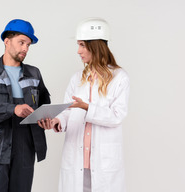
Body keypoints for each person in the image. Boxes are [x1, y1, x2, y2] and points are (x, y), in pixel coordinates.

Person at [38, 18, 130, 192]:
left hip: (103, 161)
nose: (78, 51)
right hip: (77, 159)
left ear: (95, 46)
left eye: (82, 45)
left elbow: (117, 116)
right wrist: (58, 121)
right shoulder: (77, 78)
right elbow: (67, 110)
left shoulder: (120, 77)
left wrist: (87, 107)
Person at [0, 19, 51, 192]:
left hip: (26, 144)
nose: (25, 49)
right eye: (21, 42)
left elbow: (44, 101)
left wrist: (46, 118)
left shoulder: (34, 72)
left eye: (28, 45)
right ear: (6, 41)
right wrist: (12, 109)